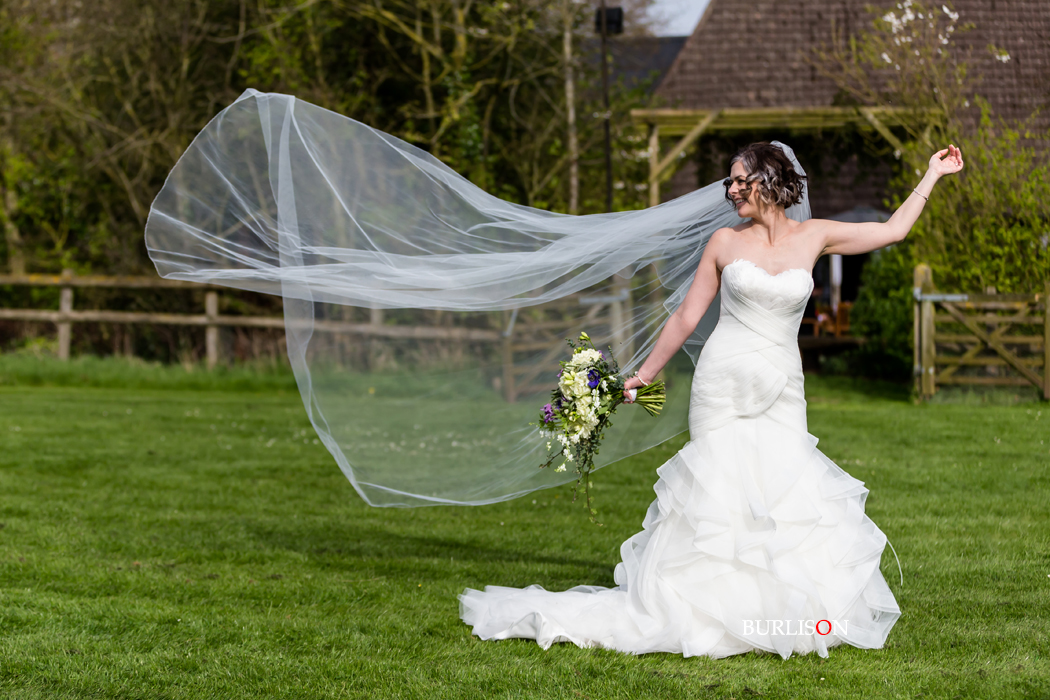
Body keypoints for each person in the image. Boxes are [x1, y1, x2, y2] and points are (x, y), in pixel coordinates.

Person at [459, 142, 964, 659]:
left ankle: (775, 611)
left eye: (739, 180)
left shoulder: (816, 236)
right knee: (720, 491)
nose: (731, 191)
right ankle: (703, 614)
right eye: (728, 182)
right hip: (722, 385)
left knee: (784, 488)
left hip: (783, 388)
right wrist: (642, 375)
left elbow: (894, 231)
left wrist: (932, 174)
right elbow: (684, 318)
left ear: (769, 181)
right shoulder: (724, 243)